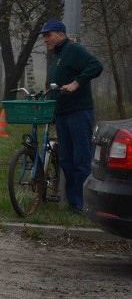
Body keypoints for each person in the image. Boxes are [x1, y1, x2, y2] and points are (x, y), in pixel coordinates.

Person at [40, 19, 103, 213]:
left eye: (48, 35)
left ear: (60, 34)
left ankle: (85, 205)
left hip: (78, 112)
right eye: (43, 36)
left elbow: (96, 66)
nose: (45, 40)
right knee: (66, 160)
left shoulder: (73, 50)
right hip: (62, 113)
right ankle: (73, 203)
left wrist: (76, 83)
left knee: (81, 159)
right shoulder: (58, 55)